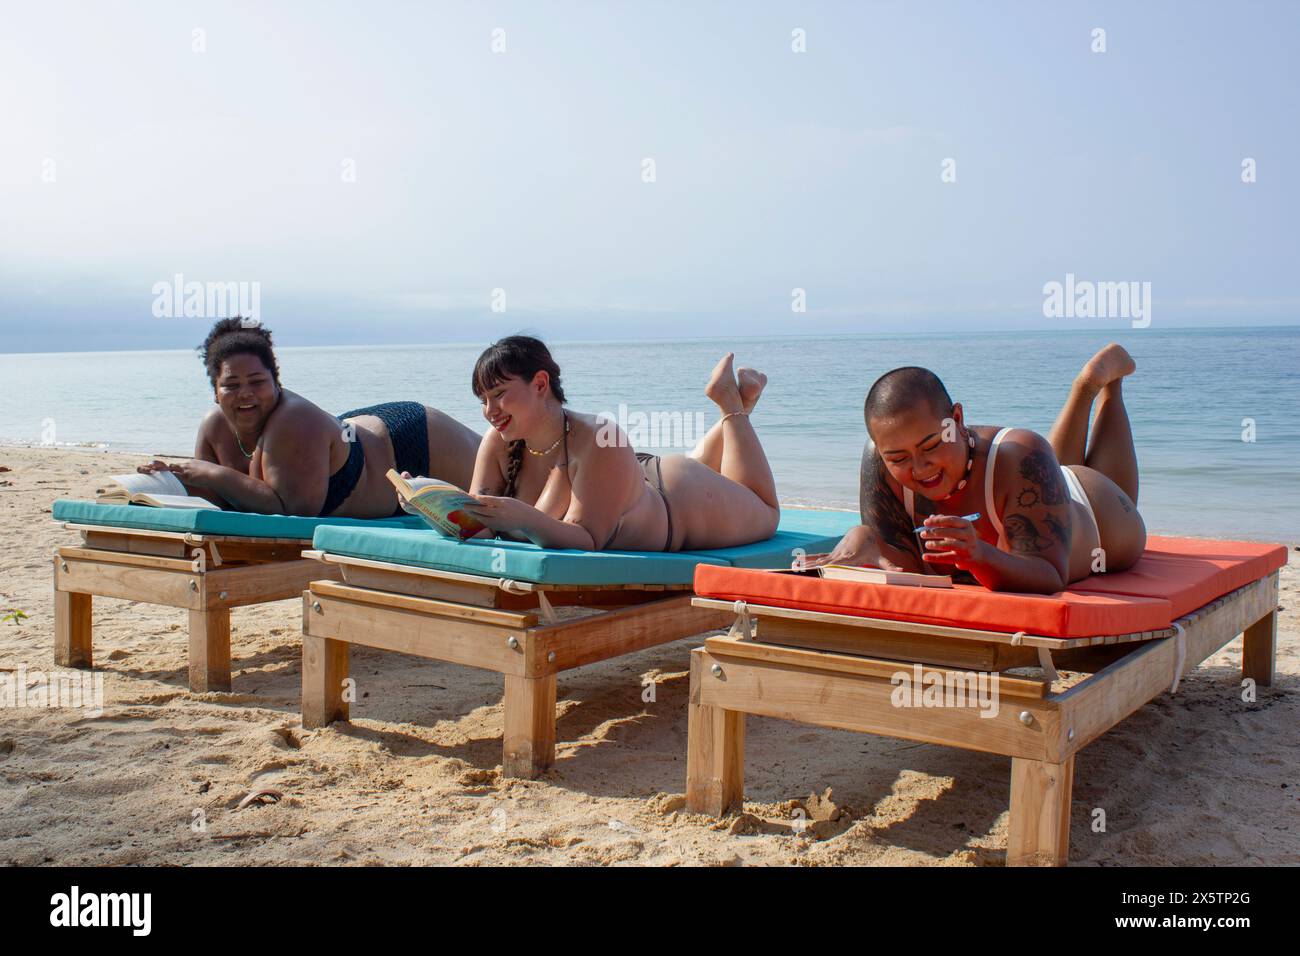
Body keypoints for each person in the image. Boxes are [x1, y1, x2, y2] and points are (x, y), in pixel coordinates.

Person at [823, 344, 1146, 592]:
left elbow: (1050, 576)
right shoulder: (879, 461)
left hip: (1094, 511)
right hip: (1038, 484)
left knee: (1090, 482)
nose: (920, 468)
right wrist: (867, 539)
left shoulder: (1022, 454)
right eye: (898, 459)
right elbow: (908, 567)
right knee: (1046, 465)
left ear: (958, 420)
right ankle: (1085, 389)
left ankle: (1104, 385)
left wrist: (978, 554)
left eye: (932, 446)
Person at [459, 335, 781, 551]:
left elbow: (587, 539)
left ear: (540, 384)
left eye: (499, 395)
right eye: (483, 400)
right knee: (705, 467)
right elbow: (477, 523)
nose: (490, 411)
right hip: (631, 482)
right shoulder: (499, 443)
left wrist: (521, 517)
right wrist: (426, 499)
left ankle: (732, 406)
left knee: (766, 511)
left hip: (681, 500)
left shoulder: (599, 436)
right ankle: (741, 401)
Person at [137, 318, 479, 517]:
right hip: (352, 434)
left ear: (277, 382)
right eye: (231, 385)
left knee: (510, 488)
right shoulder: (214, 426)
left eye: (257, 382)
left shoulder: (293, 421)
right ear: (215, 391)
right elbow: (217, 503)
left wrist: (211, 472)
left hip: (410, 441)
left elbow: (292, 512)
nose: (245, 393)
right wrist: (169, 480)